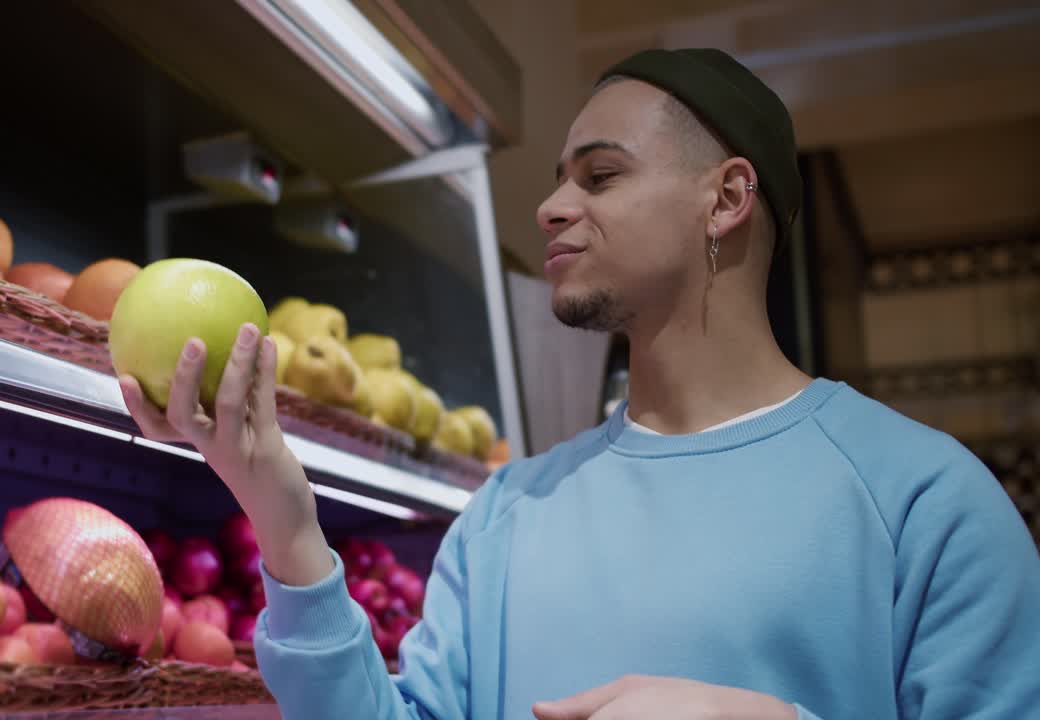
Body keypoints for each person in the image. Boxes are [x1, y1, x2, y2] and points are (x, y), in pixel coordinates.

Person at [120, 48, 1040, 719]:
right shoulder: (506, 513)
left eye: (601, 175)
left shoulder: (926, 503)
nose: (553, 206)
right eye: (561, 178)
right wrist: (284, 520)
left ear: (726, 199)